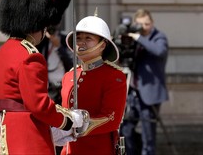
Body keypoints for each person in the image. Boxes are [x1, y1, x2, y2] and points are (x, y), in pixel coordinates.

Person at [0, 0, 88, 155]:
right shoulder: (30, 56)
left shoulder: (5, 51)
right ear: (41, 25)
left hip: (5, 130)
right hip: (26, 134)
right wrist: (68, 121)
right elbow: (39, 104)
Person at [60, 13, 128, 155]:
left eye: (88, 38)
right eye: (78, 38)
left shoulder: (114, 76)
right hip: (70, 149)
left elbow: (112, 118)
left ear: (102, 45)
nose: (81, 42)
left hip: (98, 149)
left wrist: (80, 126)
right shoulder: (69, 76)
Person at [120, 8, 169, 155]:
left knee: (148, 135)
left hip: (150, 94)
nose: (144, 27)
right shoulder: (135, 39)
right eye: (140, 24)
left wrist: (138, 38)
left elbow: (159, 51)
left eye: (147, 24)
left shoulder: (159, 37)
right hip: (132, 92)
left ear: (152, 23)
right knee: (126, 130)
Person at [37, 24, 73, 105]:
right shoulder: (42, 42)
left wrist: (59, 47)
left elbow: (71, 63)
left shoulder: (65, 40)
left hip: (63, 86)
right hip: (49, 86)